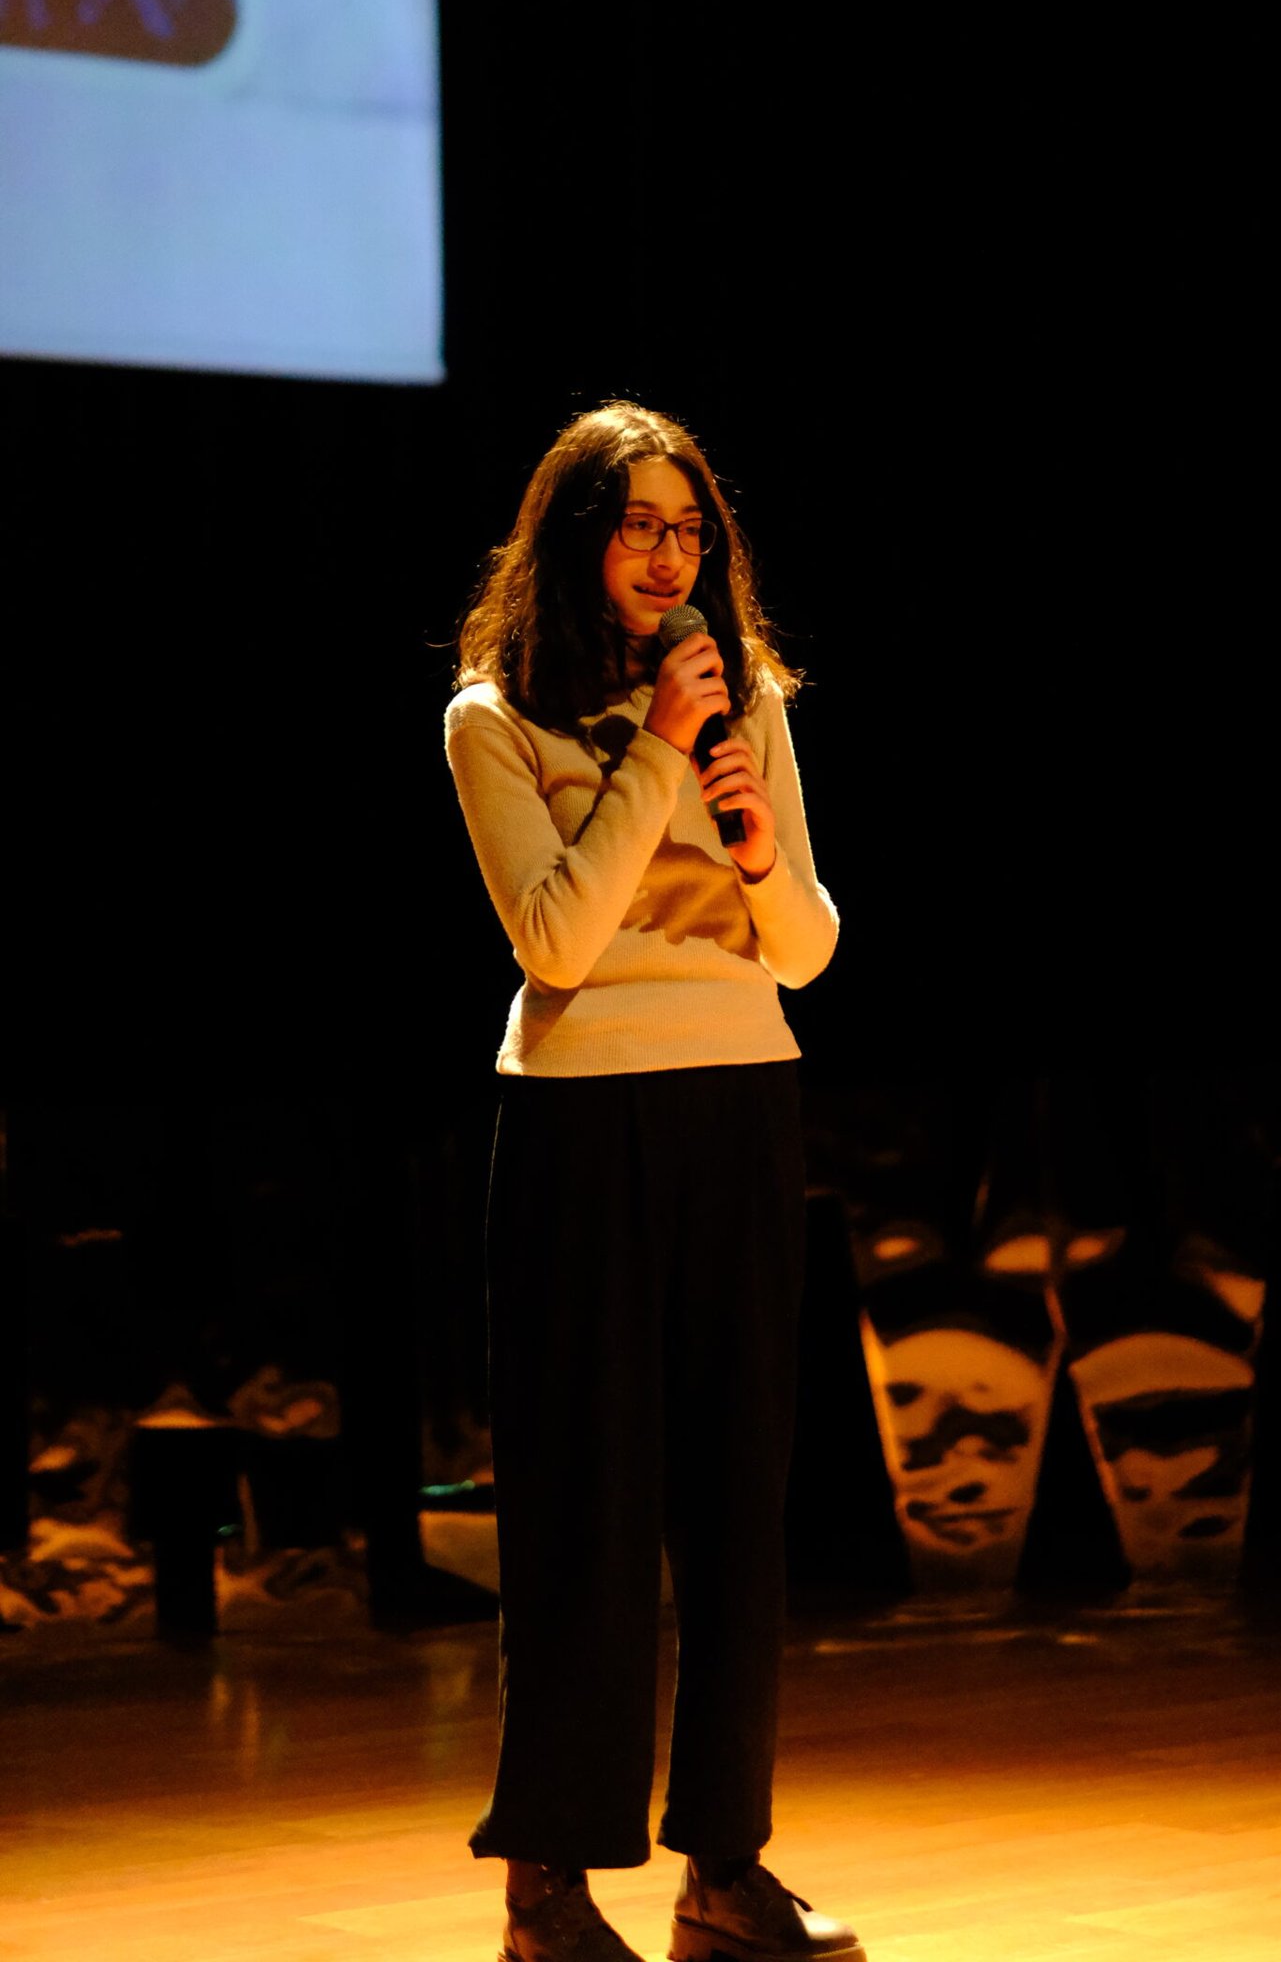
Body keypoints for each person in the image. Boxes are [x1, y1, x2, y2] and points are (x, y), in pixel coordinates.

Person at [444, 402, 864, 1962]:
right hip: (581, 1120)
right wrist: (658, 758)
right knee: (587, 1514)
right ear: (576, 542)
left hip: (741, 1099)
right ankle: (547, 1886)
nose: (669, 557)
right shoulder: (496, 717)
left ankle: (725, 1867)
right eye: (639, 526)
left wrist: (749, 845)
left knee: (739, 1508)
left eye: (690, 531)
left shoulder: (748, 700)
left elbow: (807, 950)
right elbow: (557, 940)